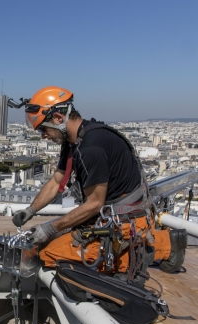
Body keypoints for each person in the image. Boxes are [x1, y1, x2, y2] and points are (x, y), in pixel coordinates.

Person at [12, 86, 186, 276]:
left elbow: (94, 203)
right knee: (47, 242)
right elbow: (56, 182)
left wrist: (49, 228)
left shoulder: (90, 148)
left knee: (48, 253)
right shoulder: (75, 140)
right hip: (113, 216)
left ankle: (161, 247)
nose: (43, 135)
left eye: (44, 129)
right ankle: (162, 242)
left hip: (125, 222)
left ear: (59, 118)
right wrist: (30, 210)